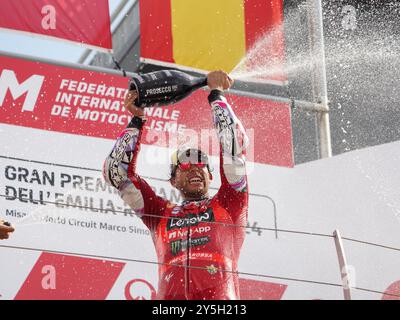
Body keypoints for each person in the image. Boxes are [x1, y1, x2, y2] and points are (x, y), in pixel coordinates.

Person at [103, 70, 249, 300]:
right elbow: (116, 173)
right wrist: (137, 121)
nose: (194, 167)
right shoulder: (159, 213)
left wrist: (216, 95)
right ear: (173, 180)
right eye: (185, 164)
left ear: (211, 176)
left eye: (201, 162)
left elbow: (233, 145)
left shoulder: (230, 202)